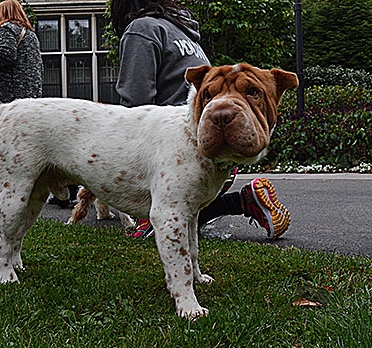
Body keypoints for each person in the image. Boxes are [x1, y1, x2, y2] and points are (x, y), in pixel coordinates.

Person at [111, 0, 291, 240]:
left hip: (183, 157)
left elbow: (134, 107)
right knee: (188, 212)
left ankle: (240, 202)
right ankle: (242, 200)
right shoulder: (185, 34)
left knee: (167, 217)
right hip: (218, 159)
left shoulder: (141, 30)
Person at [0, 0, 42, 107]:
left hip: (13, 90)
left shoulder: (7, 28)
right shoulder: (31, 34)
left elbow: (7, 55)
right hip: (32, 90)